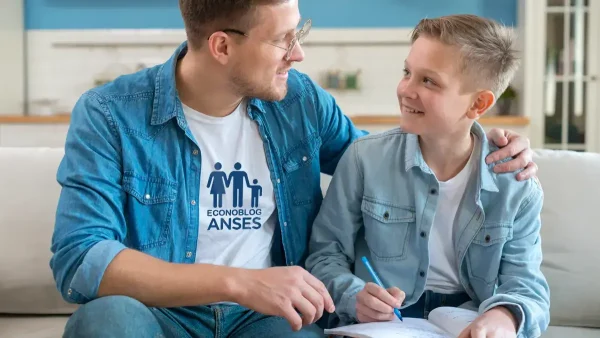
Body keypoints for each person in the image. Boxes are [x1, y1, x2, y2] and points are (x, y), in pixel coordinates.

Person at [49, 0, 539, 336]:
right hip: (161, 315)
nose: (298, 53)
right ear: (222, 46)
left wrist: (482, 144)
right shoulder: (111, 114)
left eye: (298, 33)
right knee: (104, 322)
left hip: (267, 320)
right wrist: (238, 281)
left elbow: (385, 163)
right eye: (284, 39)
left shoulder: (298, 100)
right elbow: (81, 258)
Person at [306, 14, 550, 338]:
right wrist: (353, 296)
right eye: (407, 72)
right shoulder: (364, 158)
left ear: (478, 103)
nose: (406, 90)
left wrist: (504, 318)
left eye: (428, 81)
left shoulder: (515, 183)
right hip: (383, 325)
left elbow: (526, 285)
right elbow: (324, 254)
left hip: (466, 319)